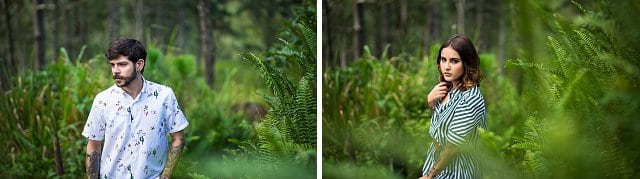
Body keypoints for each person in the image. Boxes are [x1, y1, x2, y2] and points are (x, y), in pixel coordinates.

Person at [82, 38, 189, 179]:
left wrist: (166, 176)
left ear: (139, 65)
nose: (115, 71)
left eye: (122, 64)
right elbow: (94, 146)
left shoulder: (163, 96)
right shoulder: (103, 100)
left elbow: (178, 138)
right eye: (112, 65)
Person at [420, 35, 486, 179]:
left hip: (459, 171)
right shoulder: (446, 89)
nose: (447, 67)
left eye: (454, 61)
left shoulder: (471, 98)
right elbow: (439, 131)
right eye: (443, 60)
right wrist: (431, 103)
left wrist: (429, 176)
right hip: (436, 166)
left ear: (467, 64)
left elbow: (452, 148)